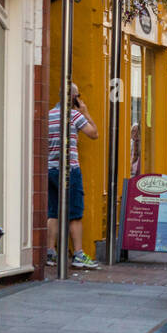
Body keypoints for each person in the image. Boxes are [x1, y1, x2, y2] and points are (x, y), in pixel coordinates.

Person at [48, 83, 100, 269]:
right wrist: (85, 112)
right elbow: (94, 134)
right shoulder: (75, 115)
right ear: (75, 98)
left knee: (53, 211)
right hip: (70, 169)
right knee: (75, 213)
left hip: (50, 168)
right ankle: (78, 254)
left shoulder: (49, 115)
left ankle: (50, 252)